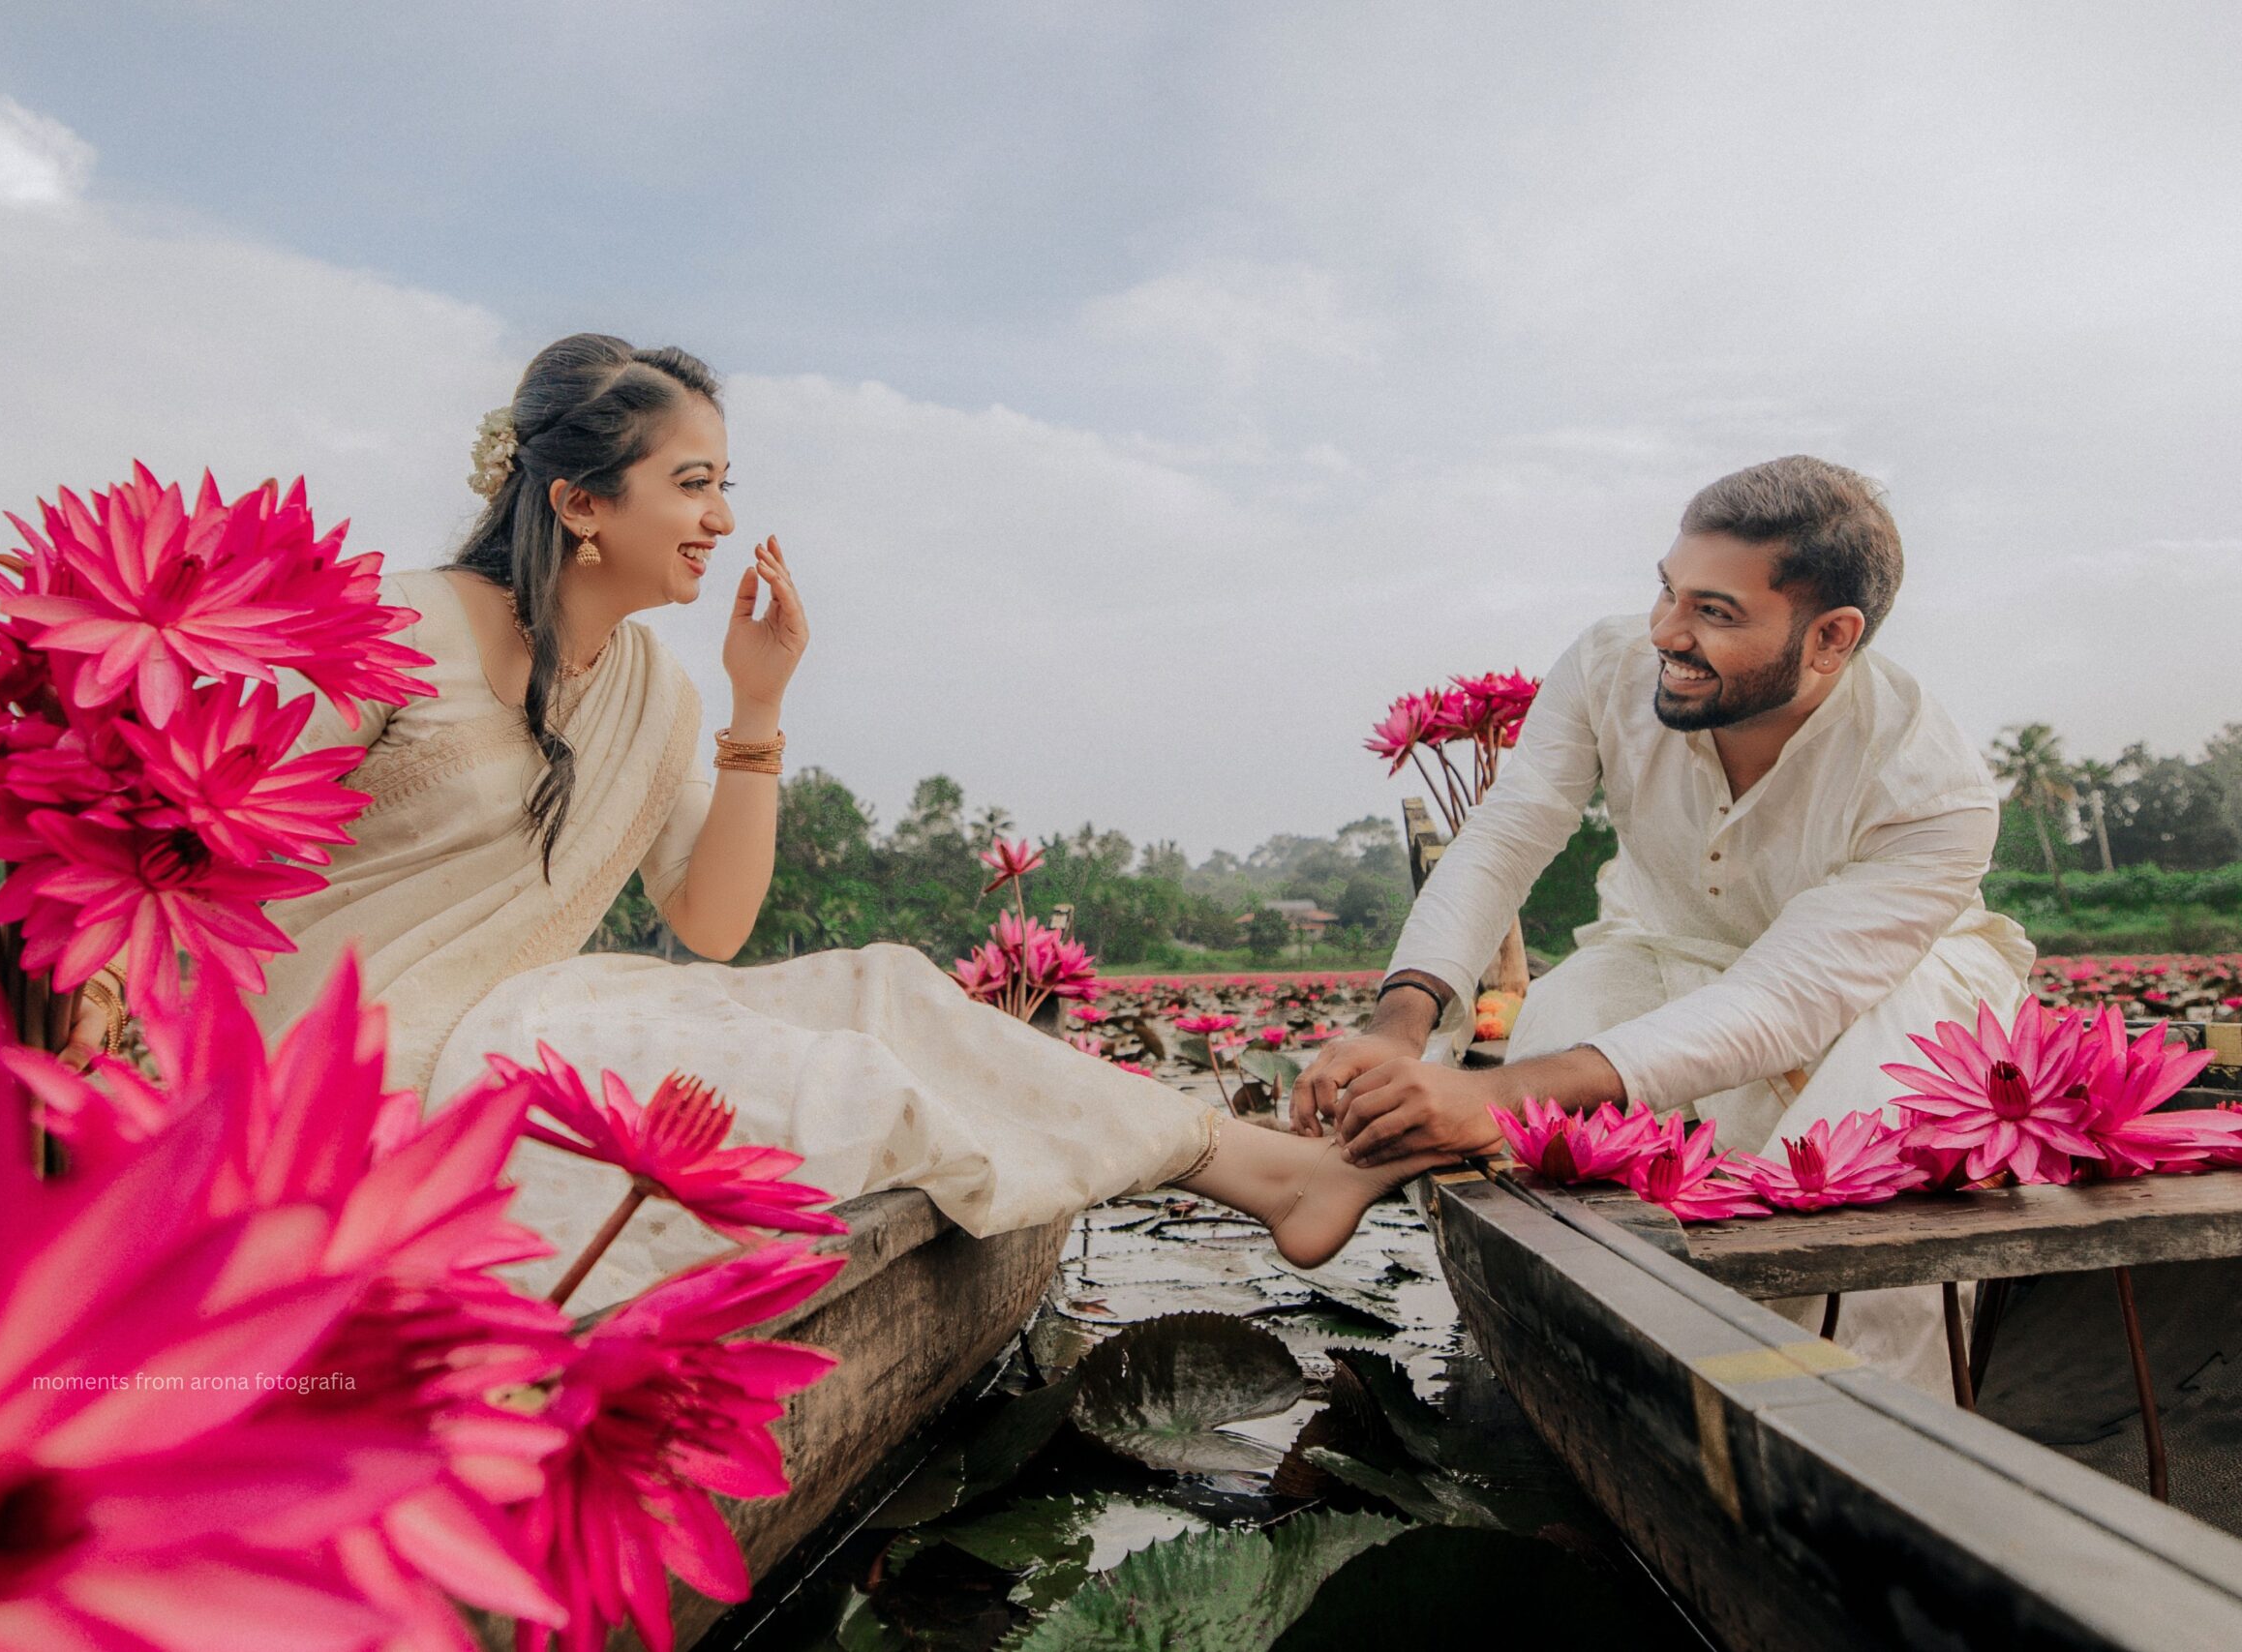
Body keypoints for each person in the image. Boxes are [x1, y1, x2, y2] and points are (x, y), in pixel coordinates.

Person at [211, 333, 1432, 1305]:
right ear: (583, 502)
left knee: (888, 986)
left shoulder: (655, 691)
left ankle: (1265, 1174)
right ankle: (1268, 1170)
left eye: (722, 487)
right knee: (814, 1076)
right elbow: (207, 855)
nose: (722, 521)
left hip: (521, 1019)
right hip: (348, 1066)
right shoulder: (388, 624)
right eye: (693, 486)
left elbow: (715, 921)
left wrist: (758, 704)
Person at [1290, 456, 2033, 1392]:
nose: (1667, 634)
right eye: (1667, 590)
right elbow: (1504, 838)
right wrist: (1398, 1024)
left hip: (1893, 985)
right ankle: (1594, 1375)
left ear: (1831, 638)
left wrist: (1503, 1089)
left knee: (1871, 1169)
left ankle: (1849, 1427)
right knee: (1549, 1078)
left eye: (1715, 613)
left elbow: (1786, 999)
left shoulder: (1936, 792)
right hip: (1662, 948)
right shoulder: (1609, 662)